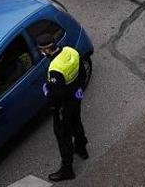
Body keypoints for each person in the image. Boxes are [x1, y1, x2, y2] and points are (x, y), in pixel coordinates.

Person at [37, 35, 88, 181]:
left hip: (63, 106)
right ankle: (81, 148)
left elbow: (56, 94)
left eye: (42, 50)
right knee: (76, 122)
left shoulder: (55, 68)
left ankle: (67, 169)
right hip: (75, 98)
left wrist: (47, 90)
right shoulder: (71, 51)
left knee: (63, 136)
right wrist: (79, 91)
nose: (42, 52)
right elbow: (82, 73)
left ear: (47, 49)